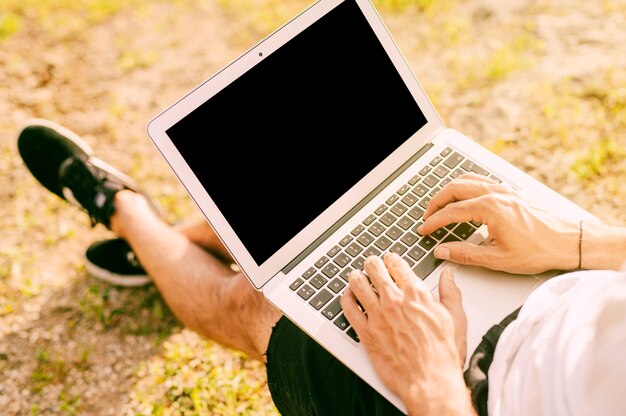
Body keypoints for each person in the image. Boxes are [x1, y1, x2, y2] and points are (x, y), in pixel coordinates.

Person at [17, 119, 626, 415]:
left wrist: (431, 381)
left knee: (259, 305)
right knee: (342, 205)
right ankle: (179, 245)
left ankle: (120, 207)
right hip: (568, 283)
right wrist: (582, 243)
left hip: (471, 395)